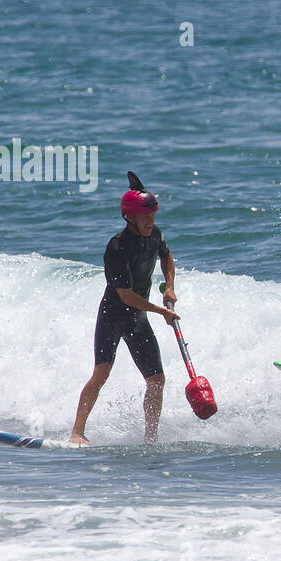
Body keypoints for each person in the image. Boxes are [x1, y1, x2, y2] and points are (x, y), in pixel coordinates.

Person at [70, 178, 180, 445]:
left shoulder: (155, 235)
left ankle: (150, 439)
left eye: (152, 214)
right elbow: (126, 295)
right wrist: (159, 311)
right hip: (114, 314)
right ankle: (77, 432)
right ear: (129, 217)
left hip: (137, 316)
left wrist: (170, 288)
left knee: (157, 380)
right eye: (144, 216)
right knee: (101, 373)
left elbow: (166, 257)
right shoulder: (117, 248)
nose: (150, 221)